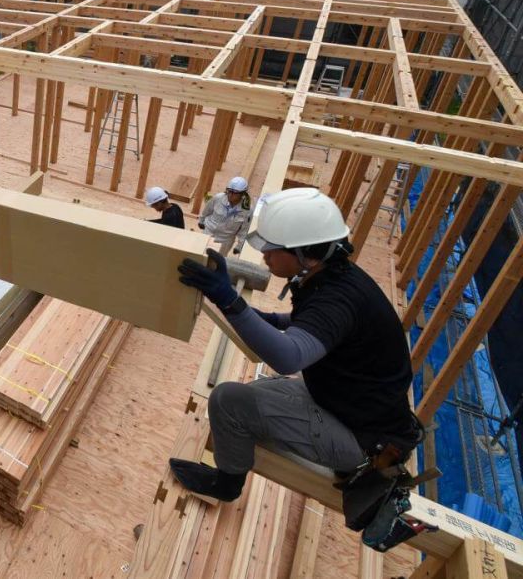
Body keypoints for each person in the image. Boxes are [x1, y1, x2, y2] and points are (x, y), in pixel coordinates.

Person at [170, 188, 416, 502]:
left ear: (301, 252)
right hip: (348, 405)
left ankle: (226, 484)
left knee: (227, 401)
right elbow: (314, 322)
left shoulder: (337, 298)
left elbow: (289, 357)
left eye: (272, 250)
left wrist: (230, 301)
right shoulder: (333, 273)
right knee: (253, 394)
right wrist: (268, 319)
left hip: (364, 439)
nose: (264, 256)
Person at [199, 176, 252, 254]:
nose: (230, 195)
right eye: (229, 191)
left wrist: (239, 246)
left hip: (225, 241)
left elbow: (244, 230)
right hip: (208, 233)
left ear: (242, 194)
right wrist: (201, 220)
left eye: (235, 193)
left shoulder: (247, 210)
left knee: (216, 263)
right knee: (199, 256)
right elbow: (207, 210)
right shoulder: (218, 198)